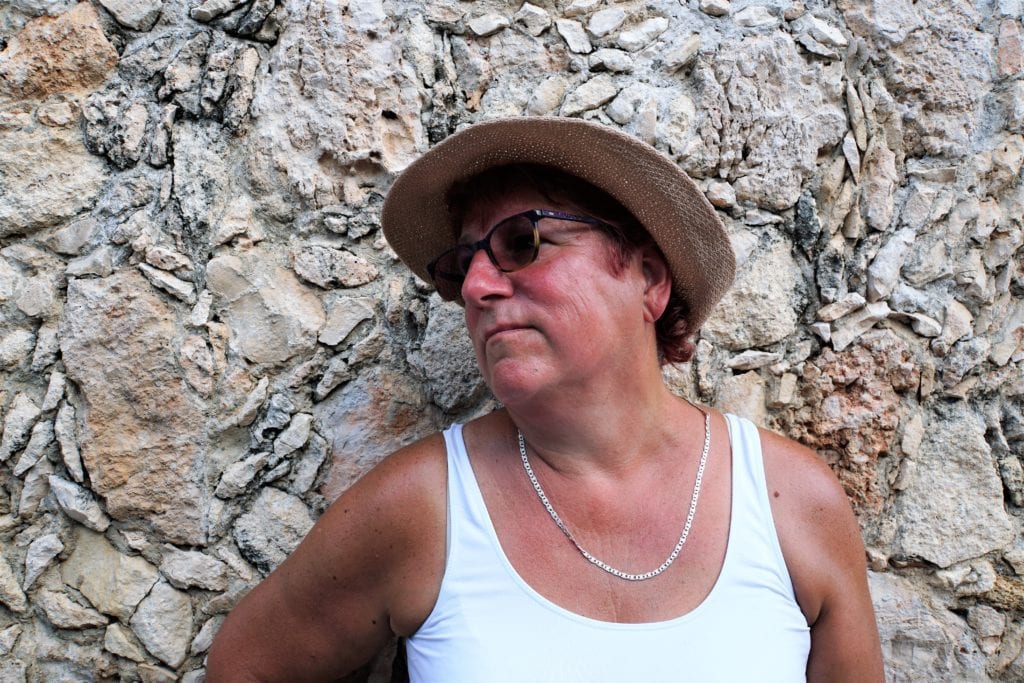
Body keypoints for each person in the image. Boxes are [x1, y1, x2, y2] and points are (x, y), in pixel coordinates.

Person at [206, 116, 884, 682]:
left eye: (522, 241)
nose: (475, 287)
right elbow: (247, 666)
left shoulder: (791, 502)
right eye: (459, 264)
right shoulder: (425, 510)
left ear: (648, 276)